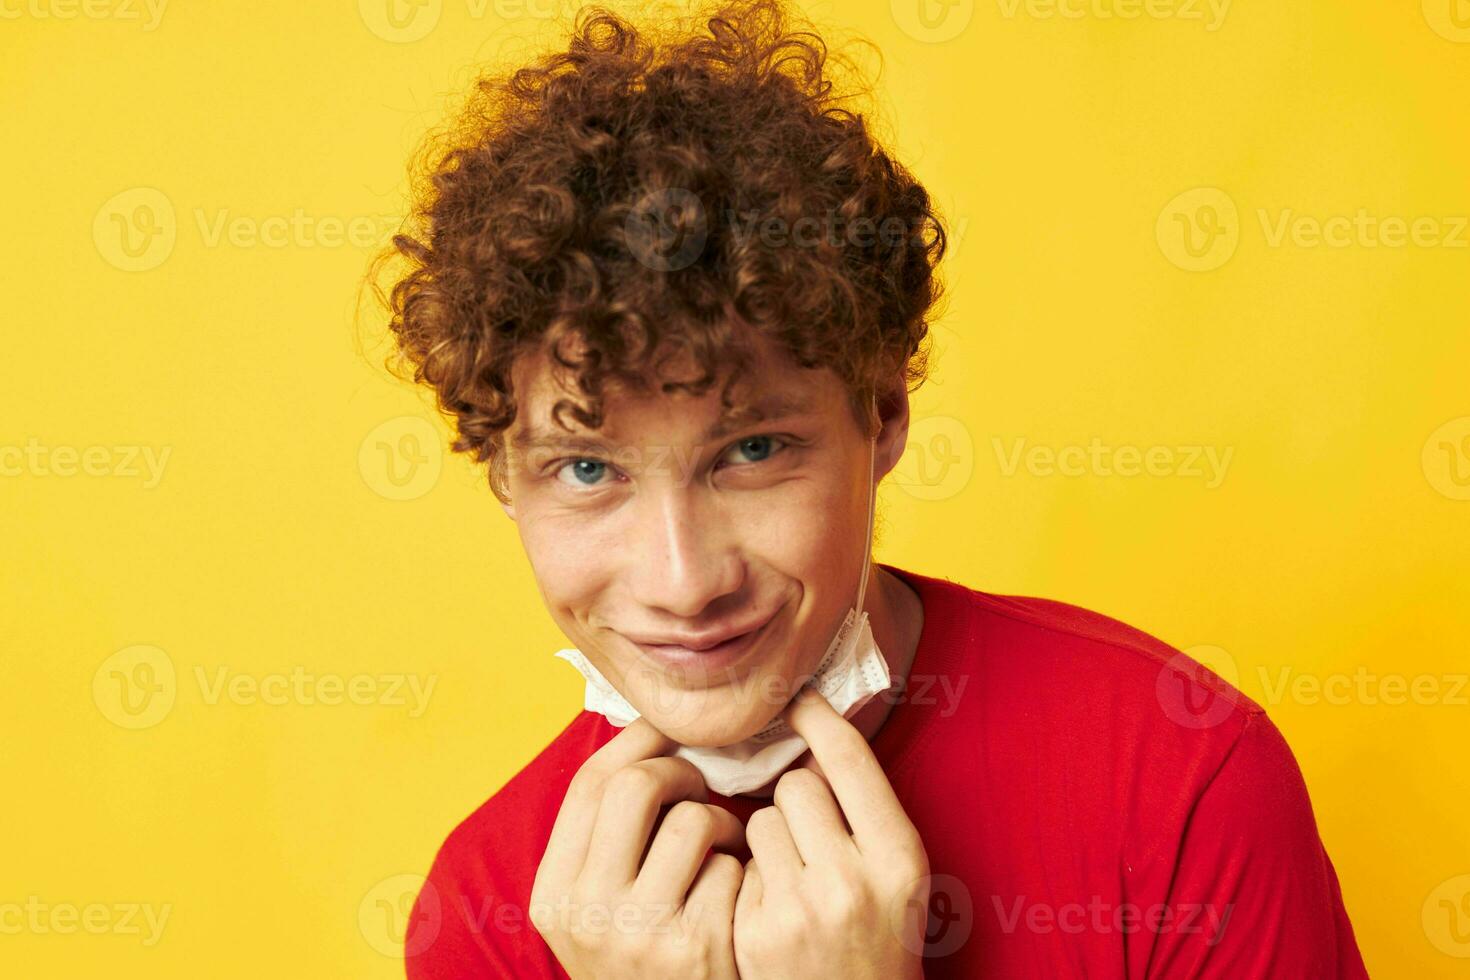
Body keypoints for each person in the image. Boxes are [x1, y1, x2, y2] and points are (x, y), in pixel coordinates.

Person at [374, 1, 1370, 976]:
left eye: (754, 450)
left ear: (883, 415)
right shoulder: (490, 917)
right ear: (505, 474)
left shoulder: (1180, 776)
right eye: (587, 469)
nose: (683, 582)